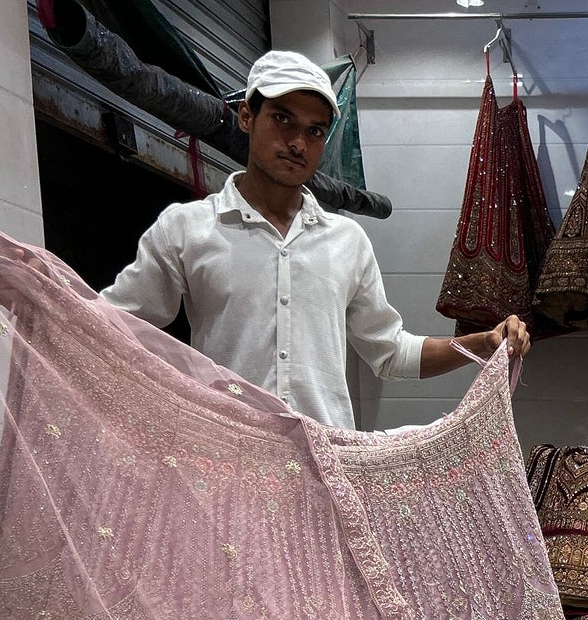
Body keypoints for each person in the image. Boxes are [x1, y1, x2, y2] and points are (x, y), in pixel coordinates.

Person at [103, 49, 530, 427]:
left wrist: (482, 343)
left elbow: (391, 353)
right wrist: (40, 296)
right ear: (247, 117)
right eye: (282, 119)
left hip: (325, 471)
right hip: (227, 468)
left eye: (315, 131)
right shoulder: (187, 229)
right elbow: (112, 326)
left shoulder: (347, 241)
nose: (297, 143)